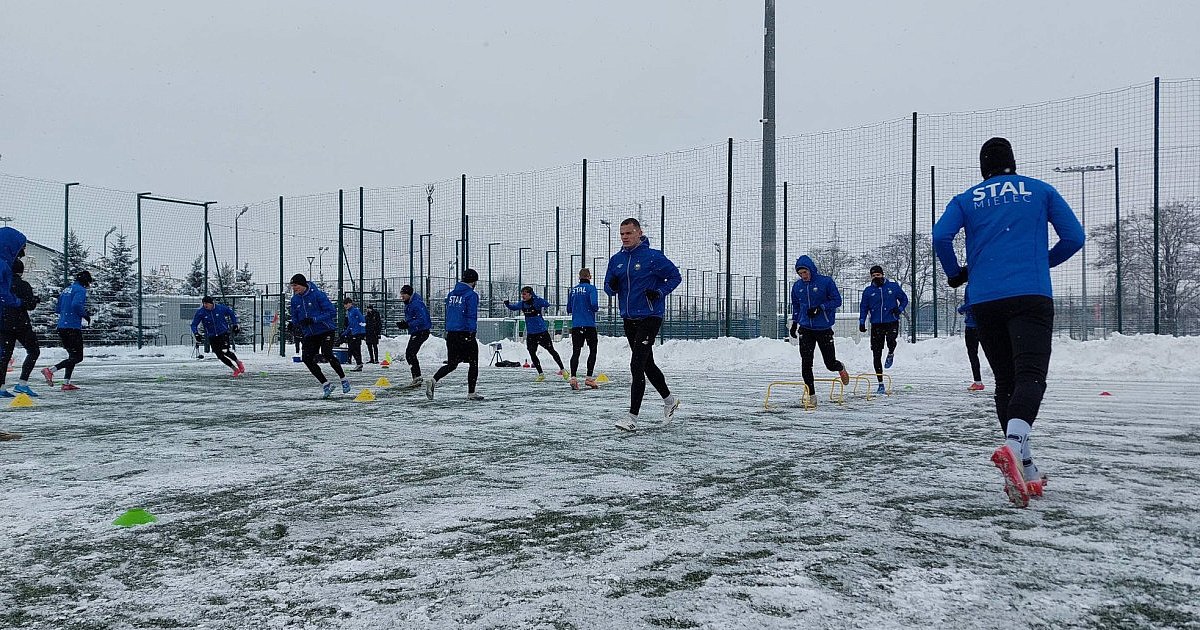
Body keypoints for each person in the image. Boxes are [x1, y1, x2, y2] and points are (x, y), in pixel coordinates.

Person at [933, 136, 1085, 508]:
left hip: (985, 298)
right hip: (1030, 294)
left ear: (982, 168)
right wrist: (1041, 261)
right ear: (1012, 163)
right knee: (1030, 375)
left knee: (1005, 380)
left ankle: (1026, 468)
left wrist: (955, 273)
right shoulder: (1040, 190)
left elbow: (940, 236)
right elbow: (1074, 238)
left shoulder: (967, 199)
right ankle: (1015, 449)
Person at [604, 218, 681, 432]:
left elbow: (675, 277)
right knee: (647, 364)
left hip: (650, 316)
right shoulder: (616, 260)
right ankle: (670, 400)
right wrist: (612, 286)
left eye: (629, 233)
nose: (625, 237)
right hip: (629, 318)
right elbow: (608, 287)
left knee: (636, 364)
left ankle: (632, 417)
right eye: (622, 234)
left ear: (639, 233)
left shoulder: (653, 257)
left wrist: (659, 292)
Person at [790, 256, 850, 405]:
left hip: (823, 328)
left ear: (811, 270)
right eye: (800, 273)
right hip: (805, 329)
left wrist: (820, 308)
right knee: (806, 363)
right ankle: (811, 396)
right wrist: (794, 323)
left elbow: (837, 301)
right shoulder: (797, 287)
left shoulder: (826, 282)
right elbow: (796, 306)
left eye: (805, 272)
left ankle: (840, 367)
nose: (803, 276)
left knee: (830, 363)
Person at [288, 273, 351, 398]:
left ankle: (343, 379)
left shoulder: (318, 295)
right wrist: (293, 325)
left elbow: (331, 312)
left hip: (326, 330)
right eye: (292, 286)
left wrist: (314, 319)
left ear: (303, 284)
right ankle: (326, 384)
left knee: (327, 353)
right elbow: (295, 316)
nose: (294, 288)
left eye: (295, 285)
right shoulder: (295, 300)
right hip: (310, 333)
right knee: (306, 358)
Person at [426, 269, 484, 401]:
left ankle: (433, 380)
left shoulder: (451, 294)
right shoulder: (471, 295)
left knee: (452, 364)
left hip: (451, 333)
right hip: (465, 332)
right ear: (473, 281)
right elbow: (471, 315)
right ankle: (471, 393)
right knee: (473, 363)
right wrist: (471, 332)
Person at [858, 264, 908, 394]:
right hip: (876, 324)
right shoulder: (868, 291)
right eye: (874, 276)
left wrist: (899, 309)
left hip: (891, 321)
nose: (876, 277)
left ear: (882, 275)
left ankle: (891, 353)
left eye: (878, 275)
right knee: (876, 353)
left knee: (891, 340)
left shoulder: (893, 287)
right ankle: (880, 383)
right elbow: (863, 307)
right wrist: (862, 321)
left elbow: (904, 299)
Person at [42, 269, 92, 391]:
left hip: (62, 326)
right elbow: (76, 305)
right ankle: (50, 370)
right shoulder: (80, 290)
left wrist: (66, 314)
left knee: (72, 356)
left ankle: (66, 383)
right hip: (72, 327)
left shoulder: (66, 289)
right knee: (78, 357)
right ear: (86, 281)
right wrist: (85, 315)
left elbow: (58, 308)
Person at [505, 286, 565, 382]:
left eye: (525, 294)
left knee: (551, 350)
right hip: (531, 334)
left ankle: (563, 369)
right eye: (522, 294)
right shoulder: (522, 304)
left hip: (542, 332)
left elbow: (547, 304)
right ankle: (541, 374)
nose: (523, 296)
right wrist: (507, 304)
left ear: (530, 294)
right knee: (532, 353)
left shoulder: (536, 302)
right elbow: (514, 307)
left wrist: (536, 297)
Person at [1, 256, 41, 398]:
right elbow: (30, 305)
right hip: (20, 323)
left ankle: (1, 387)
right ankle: (22, 383)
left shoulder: (3, 285)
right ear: (21, 271)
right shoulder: (24, 285)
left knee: (4, 356)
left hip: (4, 323)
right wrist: (34, 300)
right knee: (33, 351)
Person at [190, 296, 245, 377]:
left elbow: (231, 313)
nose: (205, 305)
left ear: (212, 303)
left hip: (223, 333)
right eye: (204, 303)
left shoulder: (220, 308)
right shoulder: (201, 312)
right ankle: (235, 369)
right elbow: (194, 324)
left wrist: (235, 324)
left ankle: (238, 362)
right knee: (219, 355)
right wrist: (196, 333)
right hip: (212, 335)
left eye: (207, 303)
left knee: (225, 351)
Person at [566, 267, 600, 390]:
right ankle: (589, 378)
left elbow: (569, 308)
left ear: (579, 277)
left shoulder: (573, 290)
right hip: (589, 324)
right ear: (589, 277)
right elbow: (594, 304)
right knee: (593, 350)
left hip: (576, 325)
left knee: (576, 352)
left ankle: (573, 378)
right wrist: (593, 309)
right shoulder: (591, 288)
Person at [396, 284, 432, 388]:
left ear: (409, 294)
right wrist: (405, 323)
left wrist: (408, 324)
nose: (402, 296)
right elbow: (413, 318)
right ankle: (416, 377)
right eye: (401, 294)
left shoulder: (416, 304)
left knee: (410, 353)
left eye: (403, 294)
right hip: (417, 331)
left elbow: (422, 319)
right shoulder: (409, 303)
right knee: (410, 354)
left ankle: (417, 377)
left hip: (421, 331)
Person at [958, 292, 985, 392]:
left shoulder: (971, 288)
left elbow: (972, 304)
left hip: (972, 326)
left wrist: (961, 309)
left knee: (972, 353)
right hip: (985, 325)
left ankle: (978, 382)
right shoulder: (985, 288)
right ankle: (1005, 379)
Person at [342, 297, 366, 371]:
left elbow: (362, 320)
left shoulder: (355, 310)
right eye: (344, 304)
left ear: (350, 303)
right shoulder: (349, 312)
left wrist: (362, 332)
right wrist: (345, 333)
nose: (345, 306)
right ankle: (359, 364)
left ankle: (359, 363)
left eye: (346, 304)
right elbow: (351, 324)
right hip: (353, 332)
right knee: (354, 348)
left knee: (354, 348)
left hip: (357, 333)